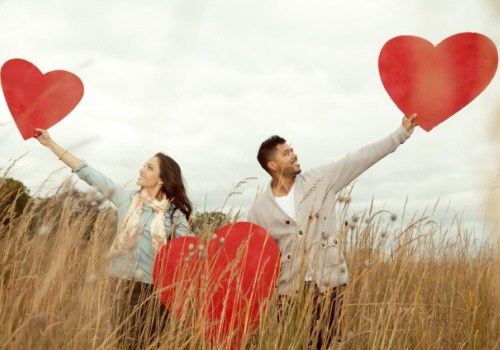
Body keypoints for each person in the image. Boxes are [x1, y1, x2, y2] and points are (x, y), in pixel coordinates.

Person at [248, 114, 417, 348]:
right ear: (273, 166)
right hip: (288, 294)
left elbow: (358, 159)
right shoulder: (260, 208)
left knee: (328, 345)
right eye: (286, 153)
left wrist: (400, 134)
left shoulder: (320, 180)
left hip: (328, 286)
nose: (294, 154)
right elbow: (254, 257)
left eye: (292, 150)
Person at [34, 128, 193, 348]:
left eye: (149, 167)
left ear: (162, 179)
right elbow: (88, 172)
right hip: (121, 286)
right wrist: (51, 143)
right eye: (143, 165)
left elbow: (192, 249)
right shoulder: (127, 199)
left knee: (151, 344)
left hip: (156, 291)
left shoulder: (174, 214)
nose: (142, 169)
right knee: (125, 343)